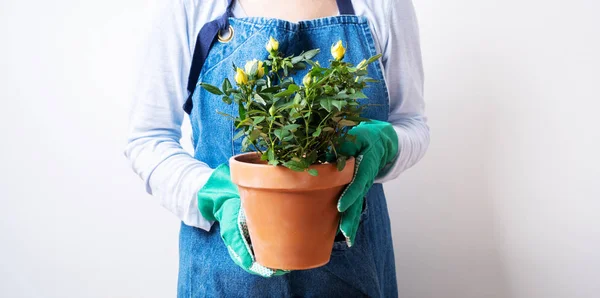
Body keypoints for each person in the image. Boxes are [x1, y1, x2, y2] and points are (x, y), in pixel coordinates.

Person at [125, 0, 429, 296]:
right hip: (222, 273)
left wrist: (388, 145)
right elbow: (148, 138)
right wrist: (212, 194)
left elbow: (411, 122)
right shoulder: (188, 6)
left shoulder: (384, 4)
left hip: (353, 269)